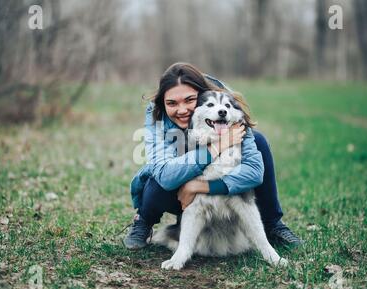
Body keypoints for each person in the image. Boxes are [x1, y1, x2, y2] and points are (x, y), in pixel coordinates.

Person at [124, 62, 303, 250]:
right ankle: (144, 221)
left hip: (214, 185)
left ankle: (272, 224)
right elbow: (166, 176)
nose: (182, 109)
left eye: (189, 100)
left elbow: (254, 172)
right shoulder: (156, 114)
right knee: (155, 184)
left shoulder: (226, 107)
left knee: (258, 140)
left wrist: (199, 186)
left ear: (202, 96)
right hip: (176, 189)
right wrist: (216, 148)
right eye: (172, 103)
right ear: (163, 103)